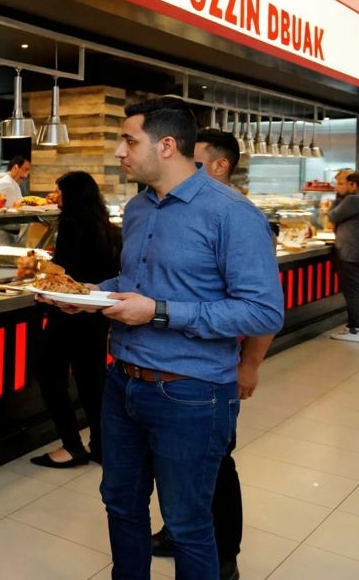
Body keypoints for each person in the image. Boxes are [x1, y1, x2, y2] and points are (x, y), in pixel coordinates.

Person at [38, 97, 281, 580]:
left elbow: (262, 310)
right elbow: (137, 284)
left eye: (129, 141)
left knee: (188, 523)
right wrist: (90, 294)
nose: (118, 152)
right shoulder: (138, 209)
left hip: (191, 392)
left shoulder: (231, 214)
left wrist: (160, 313)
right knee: (121, 506)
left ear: (167, 146)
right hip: (123, 382)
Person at [147, 127, 270, 579]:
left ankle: (224, 556)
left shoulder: (237, 218)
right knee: (179, 469)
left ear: (218, 166)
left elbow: (261, 308)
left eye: (192, 162)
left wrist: (250, 365)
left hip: (213, 372)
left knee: (216, 465)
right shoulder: (170, 210)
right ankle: (174, 531)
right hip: (169, 371)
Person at [29, 171, 120, 469]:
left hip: (69, 313)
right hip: (96, 314)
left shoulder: (71, 225)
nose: (56, 197)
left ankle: (71, 445)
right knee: (92, 381)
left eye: (59, 192)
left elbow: (66, 270)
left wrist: (38, 268)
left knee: (50, 376)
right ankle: (102, 445)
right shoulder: (107, 226)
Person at [328, 172, 359, 343]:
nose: (339, 186)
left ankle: (355, 329)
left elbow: (333, 216)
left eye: (342, 183)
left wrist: (338, 197)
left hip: (353, 253)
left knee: (354, 292)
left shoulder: (354, 200)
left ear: (353, 185)